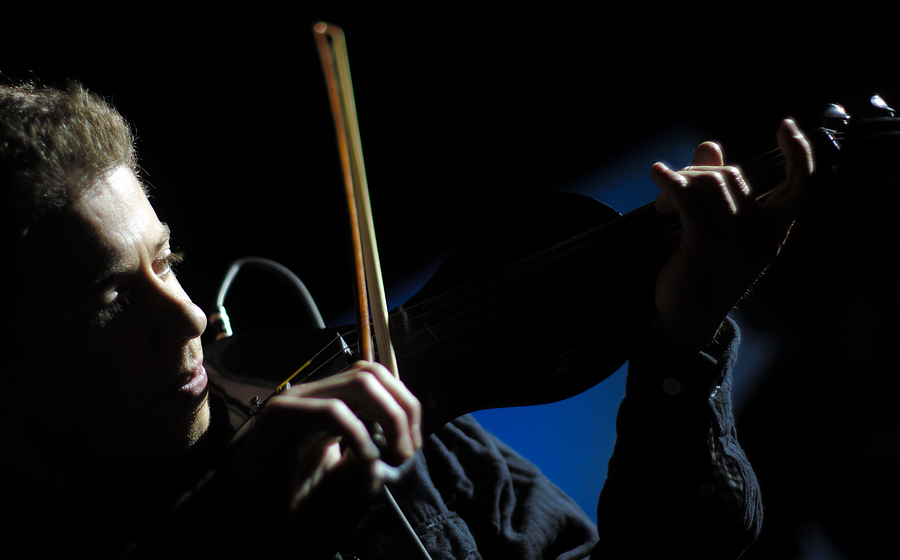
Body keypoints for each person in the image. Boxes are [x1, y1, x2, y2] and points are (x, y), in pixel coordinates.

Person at [0, 80, 814, 558]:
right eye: (112, 300)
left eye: (168, 260)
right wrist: (250, 528)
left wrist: (684, 337)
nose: (187, 315)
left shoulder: (353, 397)